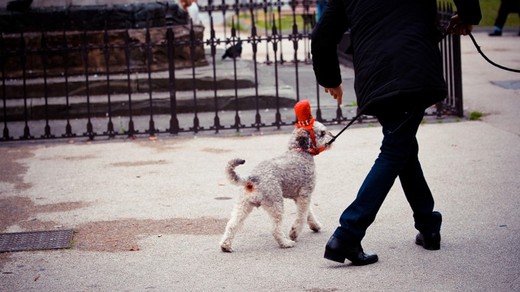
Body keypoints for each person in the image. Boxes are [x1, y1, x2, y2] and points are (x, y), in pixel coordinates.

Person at [311, 0, 481, 266]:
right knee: (395, 148)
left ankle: (428, 224)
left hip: (376, 75)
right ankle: (347, 234)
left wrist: (330, 78)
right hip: (415, 67)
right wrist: (470, 15)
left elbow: (322, 35)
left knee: (401, 146)